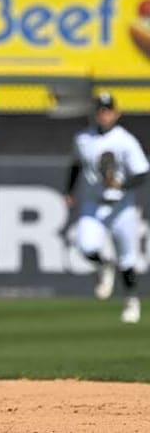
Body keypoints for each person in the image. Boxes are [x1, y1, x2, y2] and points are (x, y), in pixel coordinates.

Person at [64, 92, 147, 324]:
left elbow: (141, 172)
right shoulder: (82, 138)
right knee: (85, 246)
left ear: (116, 113)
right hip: (94, 202)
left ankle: (131, 300)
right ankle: (104, 265)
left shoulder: (125, 140)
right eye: (100, 110)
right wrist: (69, 191)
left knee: (128, 260)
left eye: (108, 110)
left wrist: (122, 183)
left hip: (122, 206)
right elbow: (76, 164)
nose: (104, 114)